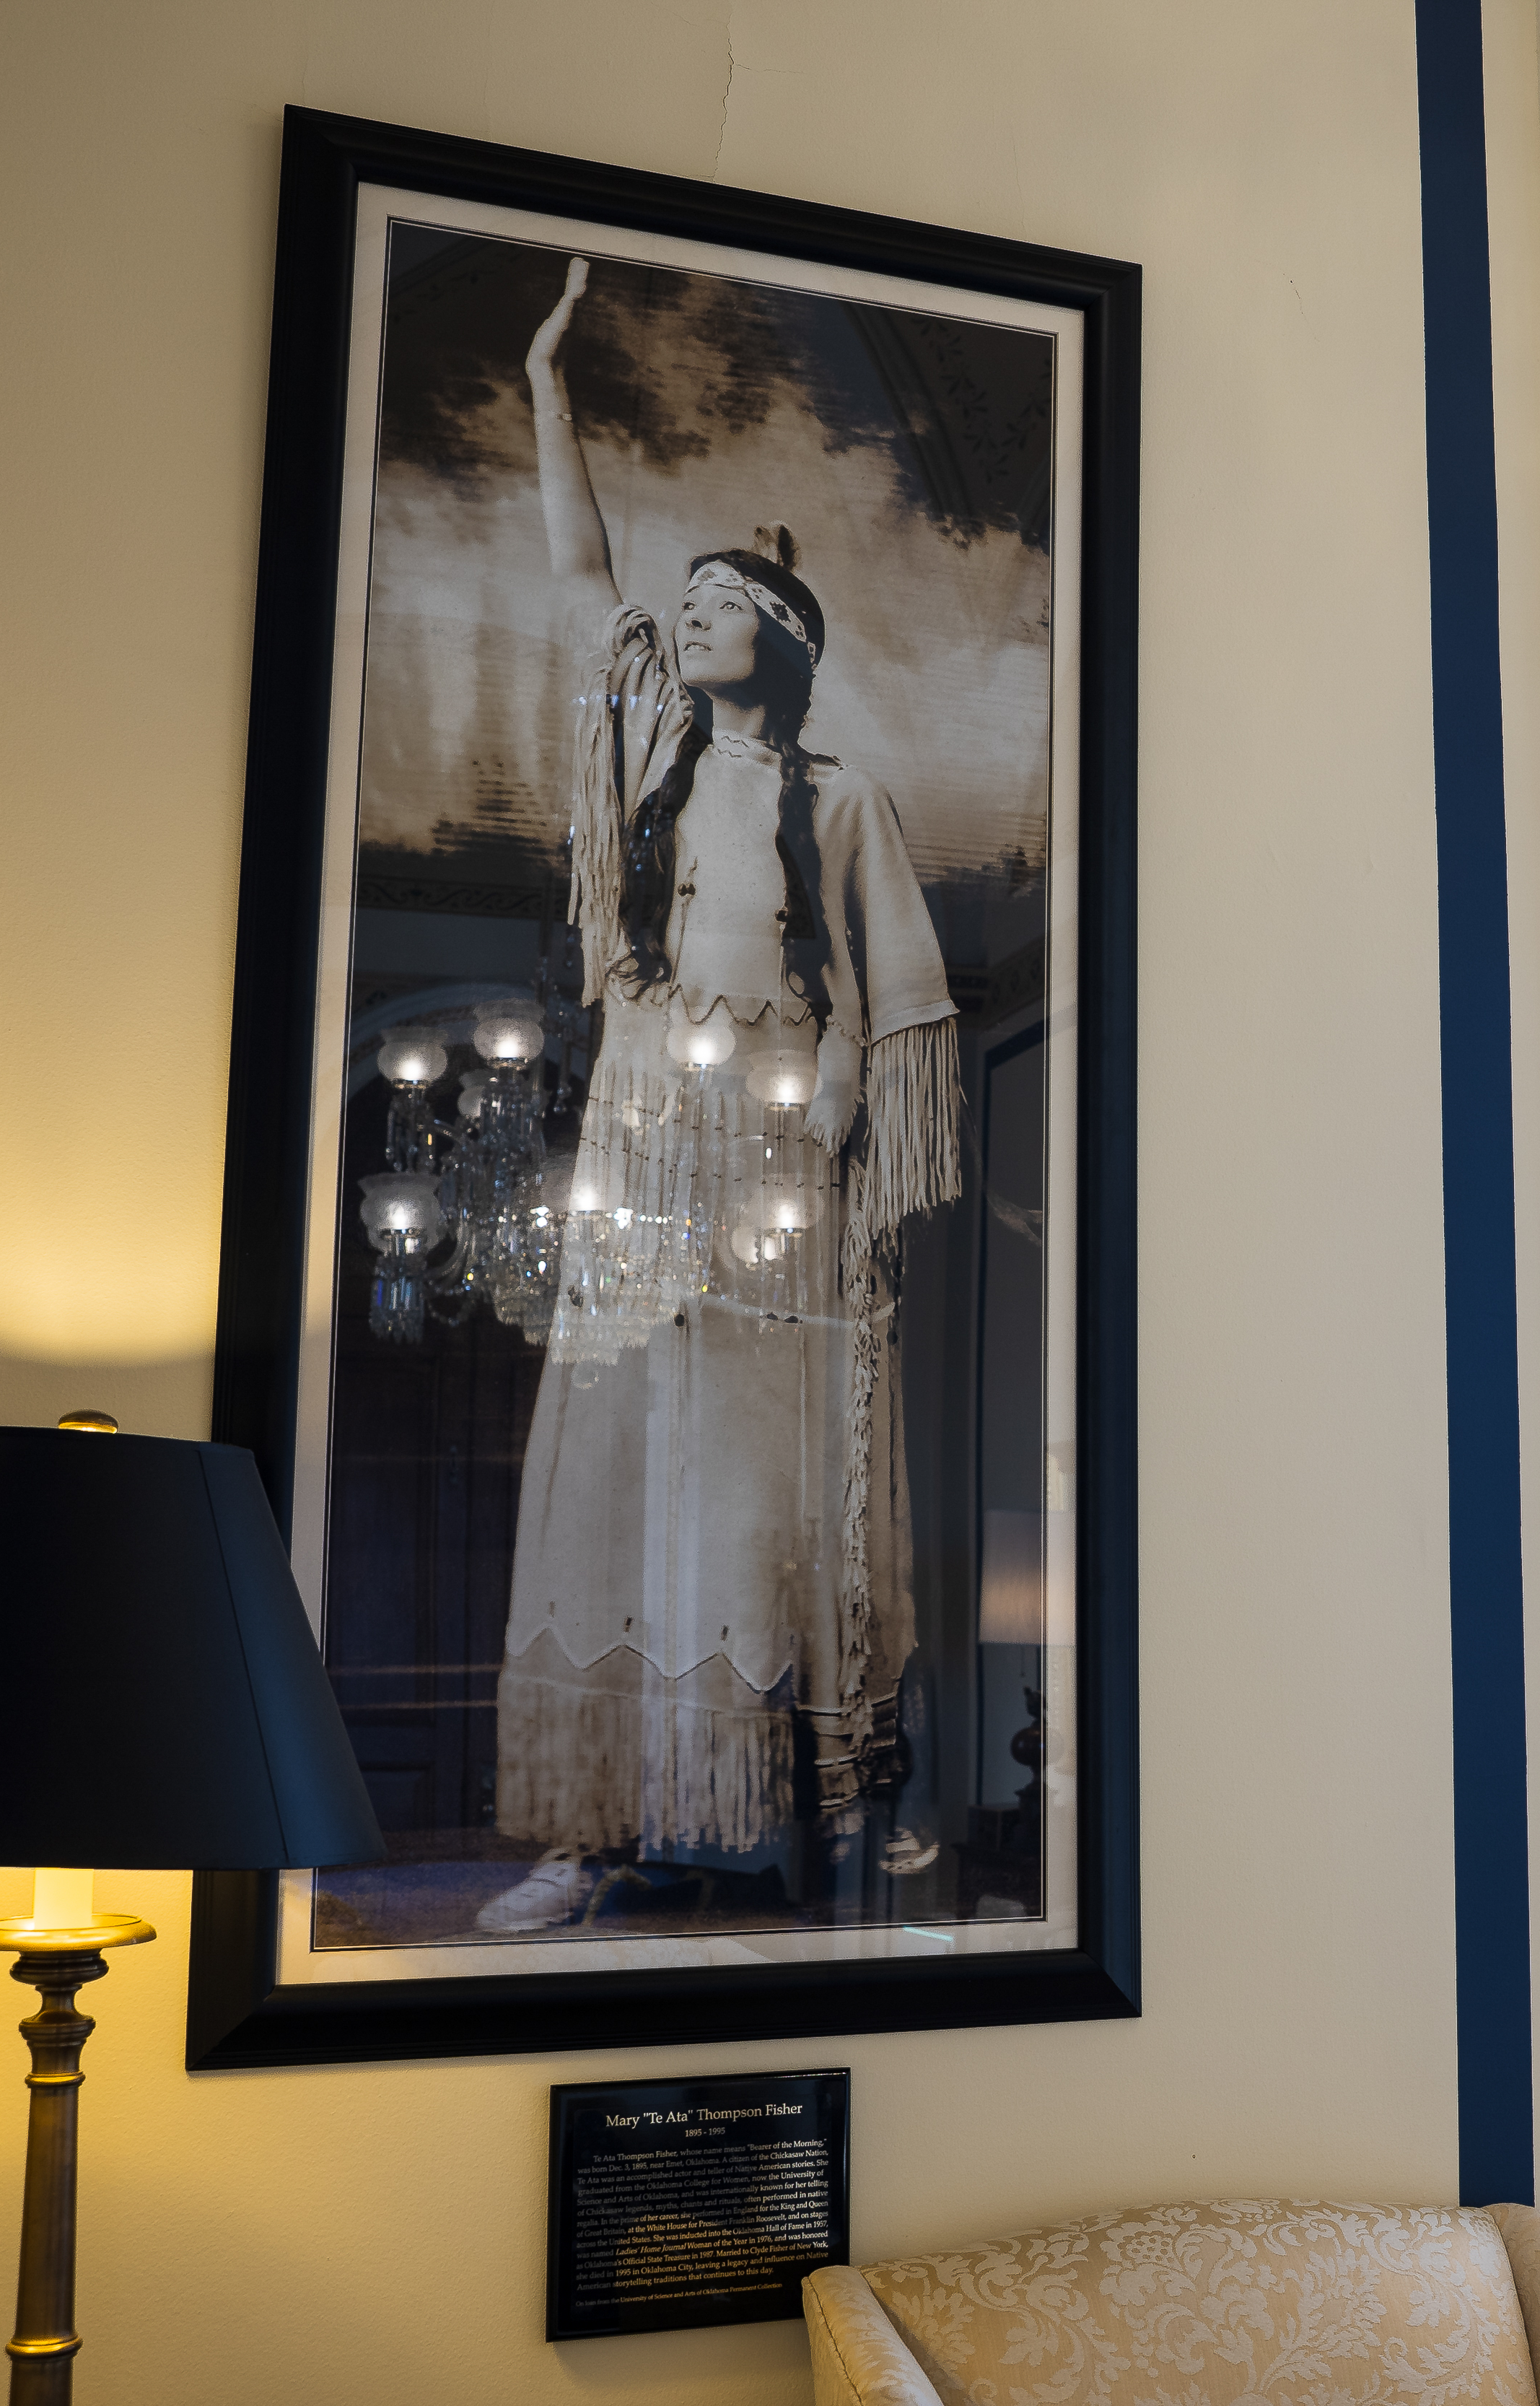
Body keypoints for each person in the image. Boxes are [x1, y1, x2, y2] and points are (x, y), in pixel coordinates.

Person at [476, 258, 963, 1933]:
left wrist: (823, 1107)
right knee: (624, 1456)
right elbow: (571, 571)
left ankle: (834, 1790)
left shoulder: (844, 797)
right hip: (643, 1132)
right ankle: (590, 1829)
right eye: (678, 608)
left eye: (716, 605)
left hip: (772, 1162)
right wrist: (551, 388)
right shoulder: (645, 751)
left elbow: (891, 1011)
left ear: (780, 636)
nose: (685, 619)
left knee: (767, 1478)